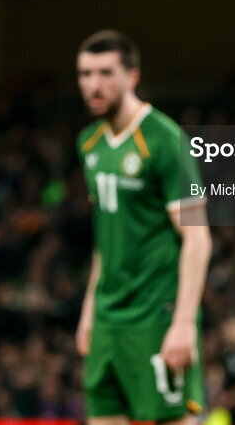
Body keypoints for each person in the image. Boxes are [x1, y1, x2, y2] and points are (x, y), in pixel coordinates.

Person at [75, 30, 211, 425]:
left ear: (132, 76)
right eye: (85, 74)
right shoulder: (89, 143)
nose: (93, 85)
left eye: (105, 73)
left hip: (155, 316)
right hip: (106, 320)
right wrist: (89, 311)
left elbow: (198, 238)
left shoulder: (165, 140)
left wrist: (184, 323)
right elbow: (106, 237)